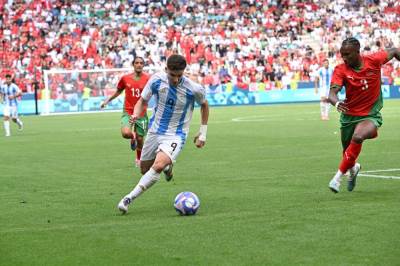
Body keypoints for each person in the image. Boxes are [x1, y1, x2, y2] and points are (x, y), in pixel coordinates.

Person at [117, 54, 209, 214]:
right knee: (145, 170)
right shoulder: (156, 80)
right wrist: (134, 116)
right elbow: (142, 101)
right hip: (155, 130)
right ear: (166, 69)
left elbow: (204, 105)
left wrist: (202, 133)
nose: (175, 79)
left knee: (157, 166)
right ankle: (168, 167)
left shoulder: (193, 88)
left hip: (176, 134)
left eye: (179, 75)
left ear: (184, 72)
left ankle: (128, 198)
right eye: (172, 75)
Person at [327, 37, 400, 193]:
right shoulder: (341, 70)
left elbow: (394, 51)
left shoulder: (373, 60)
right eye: (342, 55)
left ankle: (337, 178)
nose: (344, 58)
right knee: (348, 155)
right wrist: (337, 103)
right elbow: (332, 94)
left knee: (358, 136)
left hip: (370, 115)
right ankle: (354, 170)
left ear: (357, 52)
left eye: (348, 54)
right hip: (348, 117)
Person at [101, 57, 150, 167]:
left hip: (141, 113)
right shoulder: (125, 78)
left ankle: (138, 158)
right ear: (133, 65)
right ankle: (132, 138)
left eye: (141, 63)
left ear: (143, 65)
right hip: (128, 111)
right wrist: (107, 100)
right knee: (126, 133)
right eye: (137, 63)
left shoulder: (148, 79)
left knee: (141, 139)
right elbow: (118, 91)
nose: (139, 65)